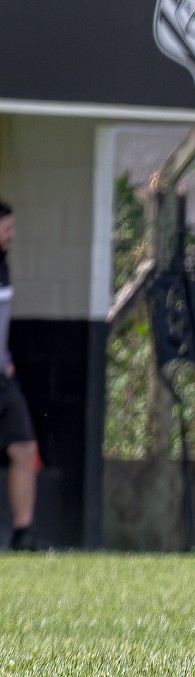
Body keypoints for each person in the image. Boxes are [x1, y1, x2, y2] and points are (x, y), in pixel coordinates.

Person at [0, 200, 37, 551]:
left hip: (2, 378)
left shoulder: (4, 266)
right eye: (6, 227)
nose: (12, 233)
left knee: (24, 448)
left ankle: (23, 535)